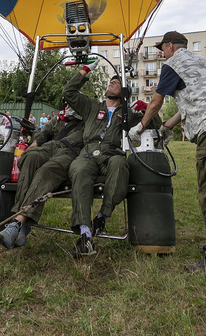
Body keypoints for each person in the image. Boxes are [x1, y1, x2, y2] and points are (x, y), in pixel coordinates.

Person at [129, 31, 206, 277]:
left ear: (170, 47)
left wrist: (141, 127)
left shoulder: (173, 64)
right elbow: (194, 101)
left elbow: (156, 103)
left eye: (162, 50)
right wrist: (166, 126)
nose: (162, 54)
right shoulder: (202, 62)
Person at [63, 62, 158, 259]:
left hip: (111, 155)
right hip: (88, 154)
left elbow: (155, 126)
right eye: (111, 81)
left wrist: (147, 109)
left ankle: (102, 218)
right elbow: (69, 92)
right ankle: (85, 235)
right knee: (79, 170)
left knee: (120, 164)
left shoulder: (128, 114)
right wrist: (85, 70)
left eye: (117, 82)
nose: (112, 82)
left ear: (125, 92)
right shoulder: (91, 106)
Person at [0, 103, 85, 249]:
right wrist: (36, 142)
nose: (69, 106)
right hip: (50, 147)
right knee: (30, 157)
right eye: (67, 103)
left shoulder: (86, 121)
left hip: (70, 152)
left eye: (73, 102)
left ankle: (17, 222)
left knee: (46, 170)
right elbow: (43, 132)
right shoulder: (58, 119)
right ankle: (21, 226)